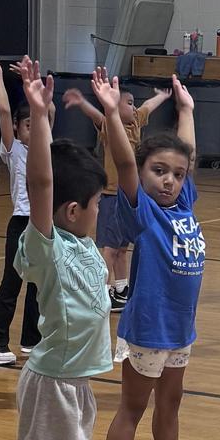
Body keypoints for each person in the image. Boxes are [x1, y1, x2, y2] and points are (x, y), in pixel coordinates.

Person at [8, 56, 114, 440]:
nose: (101, 210)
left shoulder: (84, 244)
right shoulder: (47, 248)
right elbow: (44, 183)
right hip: (50, 385)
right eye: (95, 204)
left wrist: (105, 114)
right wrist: (39, 114)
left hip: (79, 384)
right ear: (72, 211)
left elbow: (95, 171)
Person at [97, 71, 220, 440]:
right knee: (132, 408)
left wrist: (186, 109)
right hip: (149, 328)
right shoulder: (143, 210)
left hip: (179, 328)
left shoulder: (183, 204)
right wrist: (112, 112)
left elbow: (186, 154)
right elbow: (126, 164)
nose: (169, 181)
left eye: (176, 175)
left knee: (170, 404)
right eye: (159, 171)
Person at [62, 81, 171, 313]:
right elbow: (97, 115)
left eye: (134, 104)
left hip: (129, 198)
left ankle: (122, 288)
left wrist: (162, 96)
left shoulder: (136, 123)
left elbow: (148, 106)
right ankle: (102, 291)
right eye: (129, 103)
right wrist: (81, 102)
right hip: (112, 196)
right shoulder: (111, 126)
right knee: (109, 249)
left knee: (122, 248)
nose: (134, 108)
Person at [0, 60, 40, 368]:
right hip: (20, 224)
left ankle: (31, 340)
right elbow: (4, 111)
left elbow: (45, 110)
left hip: (43, 226)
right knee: (11, 284)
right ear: (18, 127)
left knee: (39, 285)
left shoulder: (47, 150)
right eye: (27, 124)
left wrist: (34, 83)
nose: (34, 129)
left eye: (37, 124)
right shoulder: (14, 150)